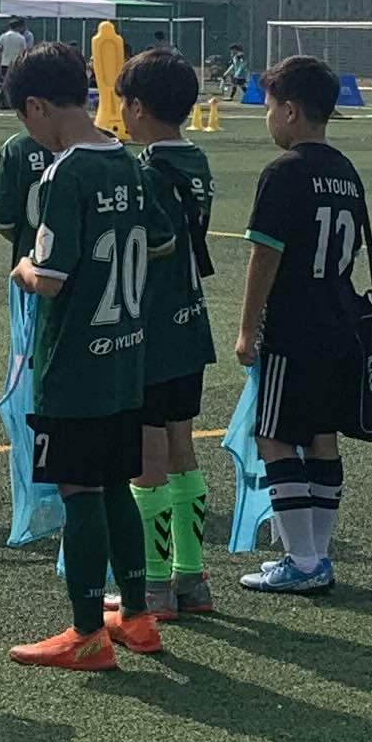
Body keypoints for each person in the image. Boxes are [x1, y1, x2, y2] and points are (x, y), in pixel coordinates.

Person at [1, 46, 154, 667]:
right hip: (126, 353)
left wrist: (22, 267)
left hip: (75, 358)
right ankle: (138, 615)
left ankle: (87, 631)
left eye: (25, 117)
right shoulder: (128, 161)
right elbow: (161, 242)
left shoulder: (65, 173)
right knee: (115, 481)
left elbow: (50, 278)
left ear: (37, 106)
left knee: (79, 487)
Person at [234, 53, 367, 595]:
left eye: (270, 106)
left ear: (290, 110)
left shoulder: (284, 172)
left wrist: (247, 329)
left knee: (273, 436)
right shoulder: (346, 172)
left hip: (293, 325)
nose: (268, 118)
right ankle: (317, 553)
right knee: (321, 436)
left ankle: (304, 559)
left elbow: (265, 255)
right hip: (339, 320)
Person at [115, 47, 218, 617]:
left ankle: (152, 584)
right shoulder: (196, 160)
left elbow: (150, 245)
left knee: (146, 453)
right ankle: (191, 577)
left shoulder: (147, 171)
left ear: (138, 107)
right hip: (190, 320)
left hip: (151, 327)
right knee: (182, 446)